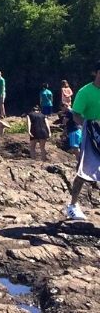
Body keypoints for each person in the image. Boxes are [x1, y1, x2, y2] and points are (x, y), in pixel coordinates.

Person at [66, 61, 100, 220]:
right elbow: (76, 114)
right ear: (96, 72)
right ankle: (72, 205)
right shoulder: (85, 92)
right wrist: (89, 128)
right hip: (91, 134)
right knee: (84, 171)